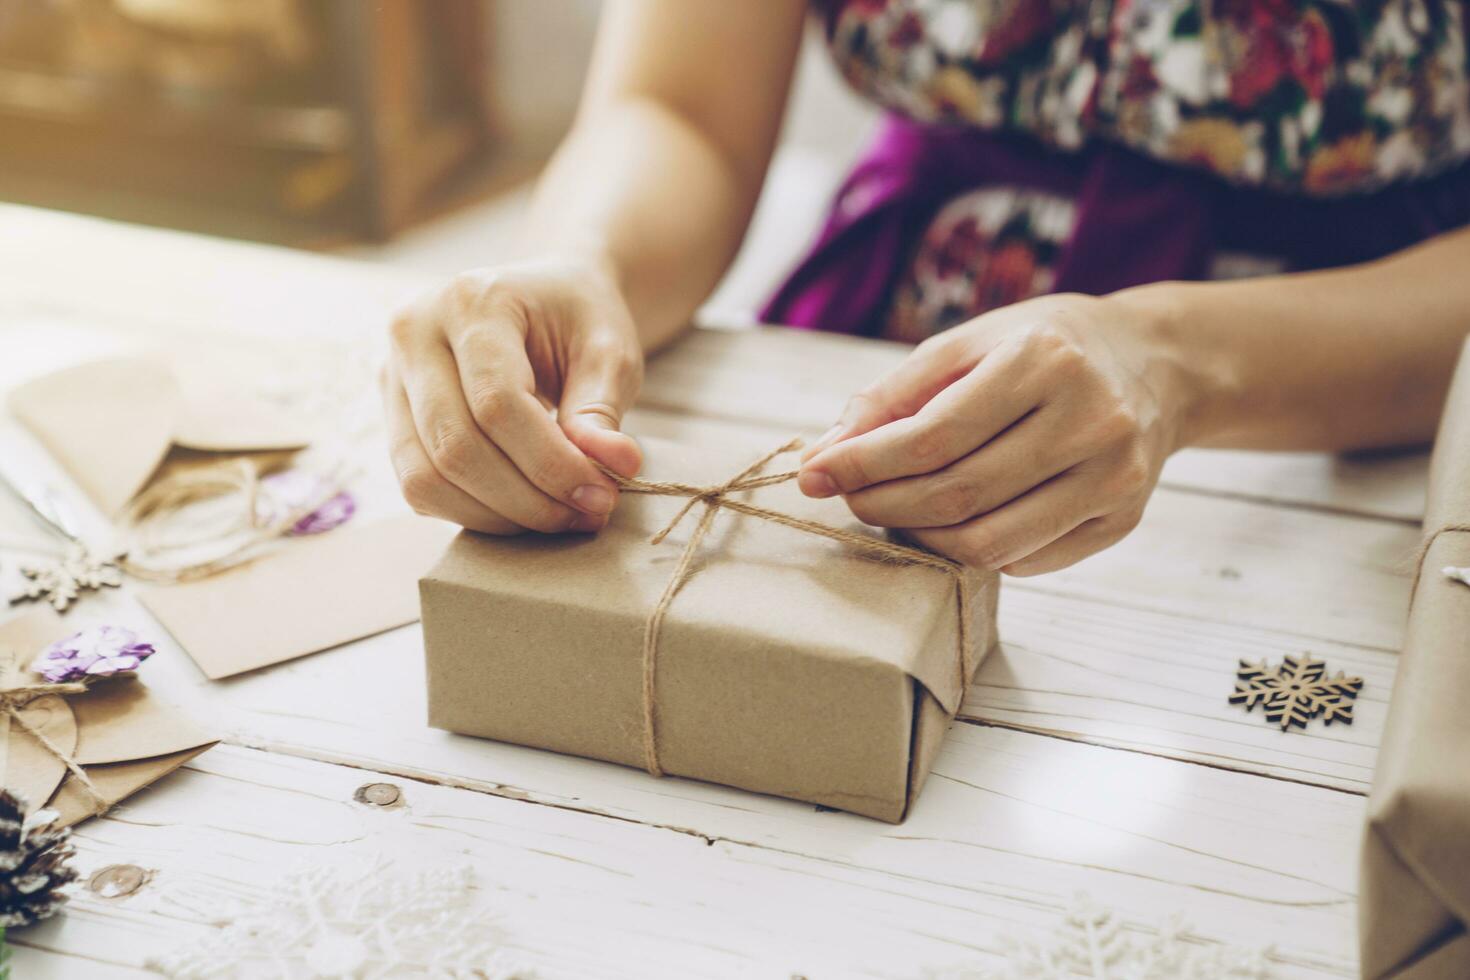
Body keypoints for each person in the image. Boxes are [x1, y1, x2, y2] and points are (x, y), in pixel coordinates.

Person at [381, 1, 1470, 576]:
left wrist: (1178, 358)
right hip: (881, 352)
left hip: (1350, 396)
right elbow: (683, 108)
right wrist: (583, 258)